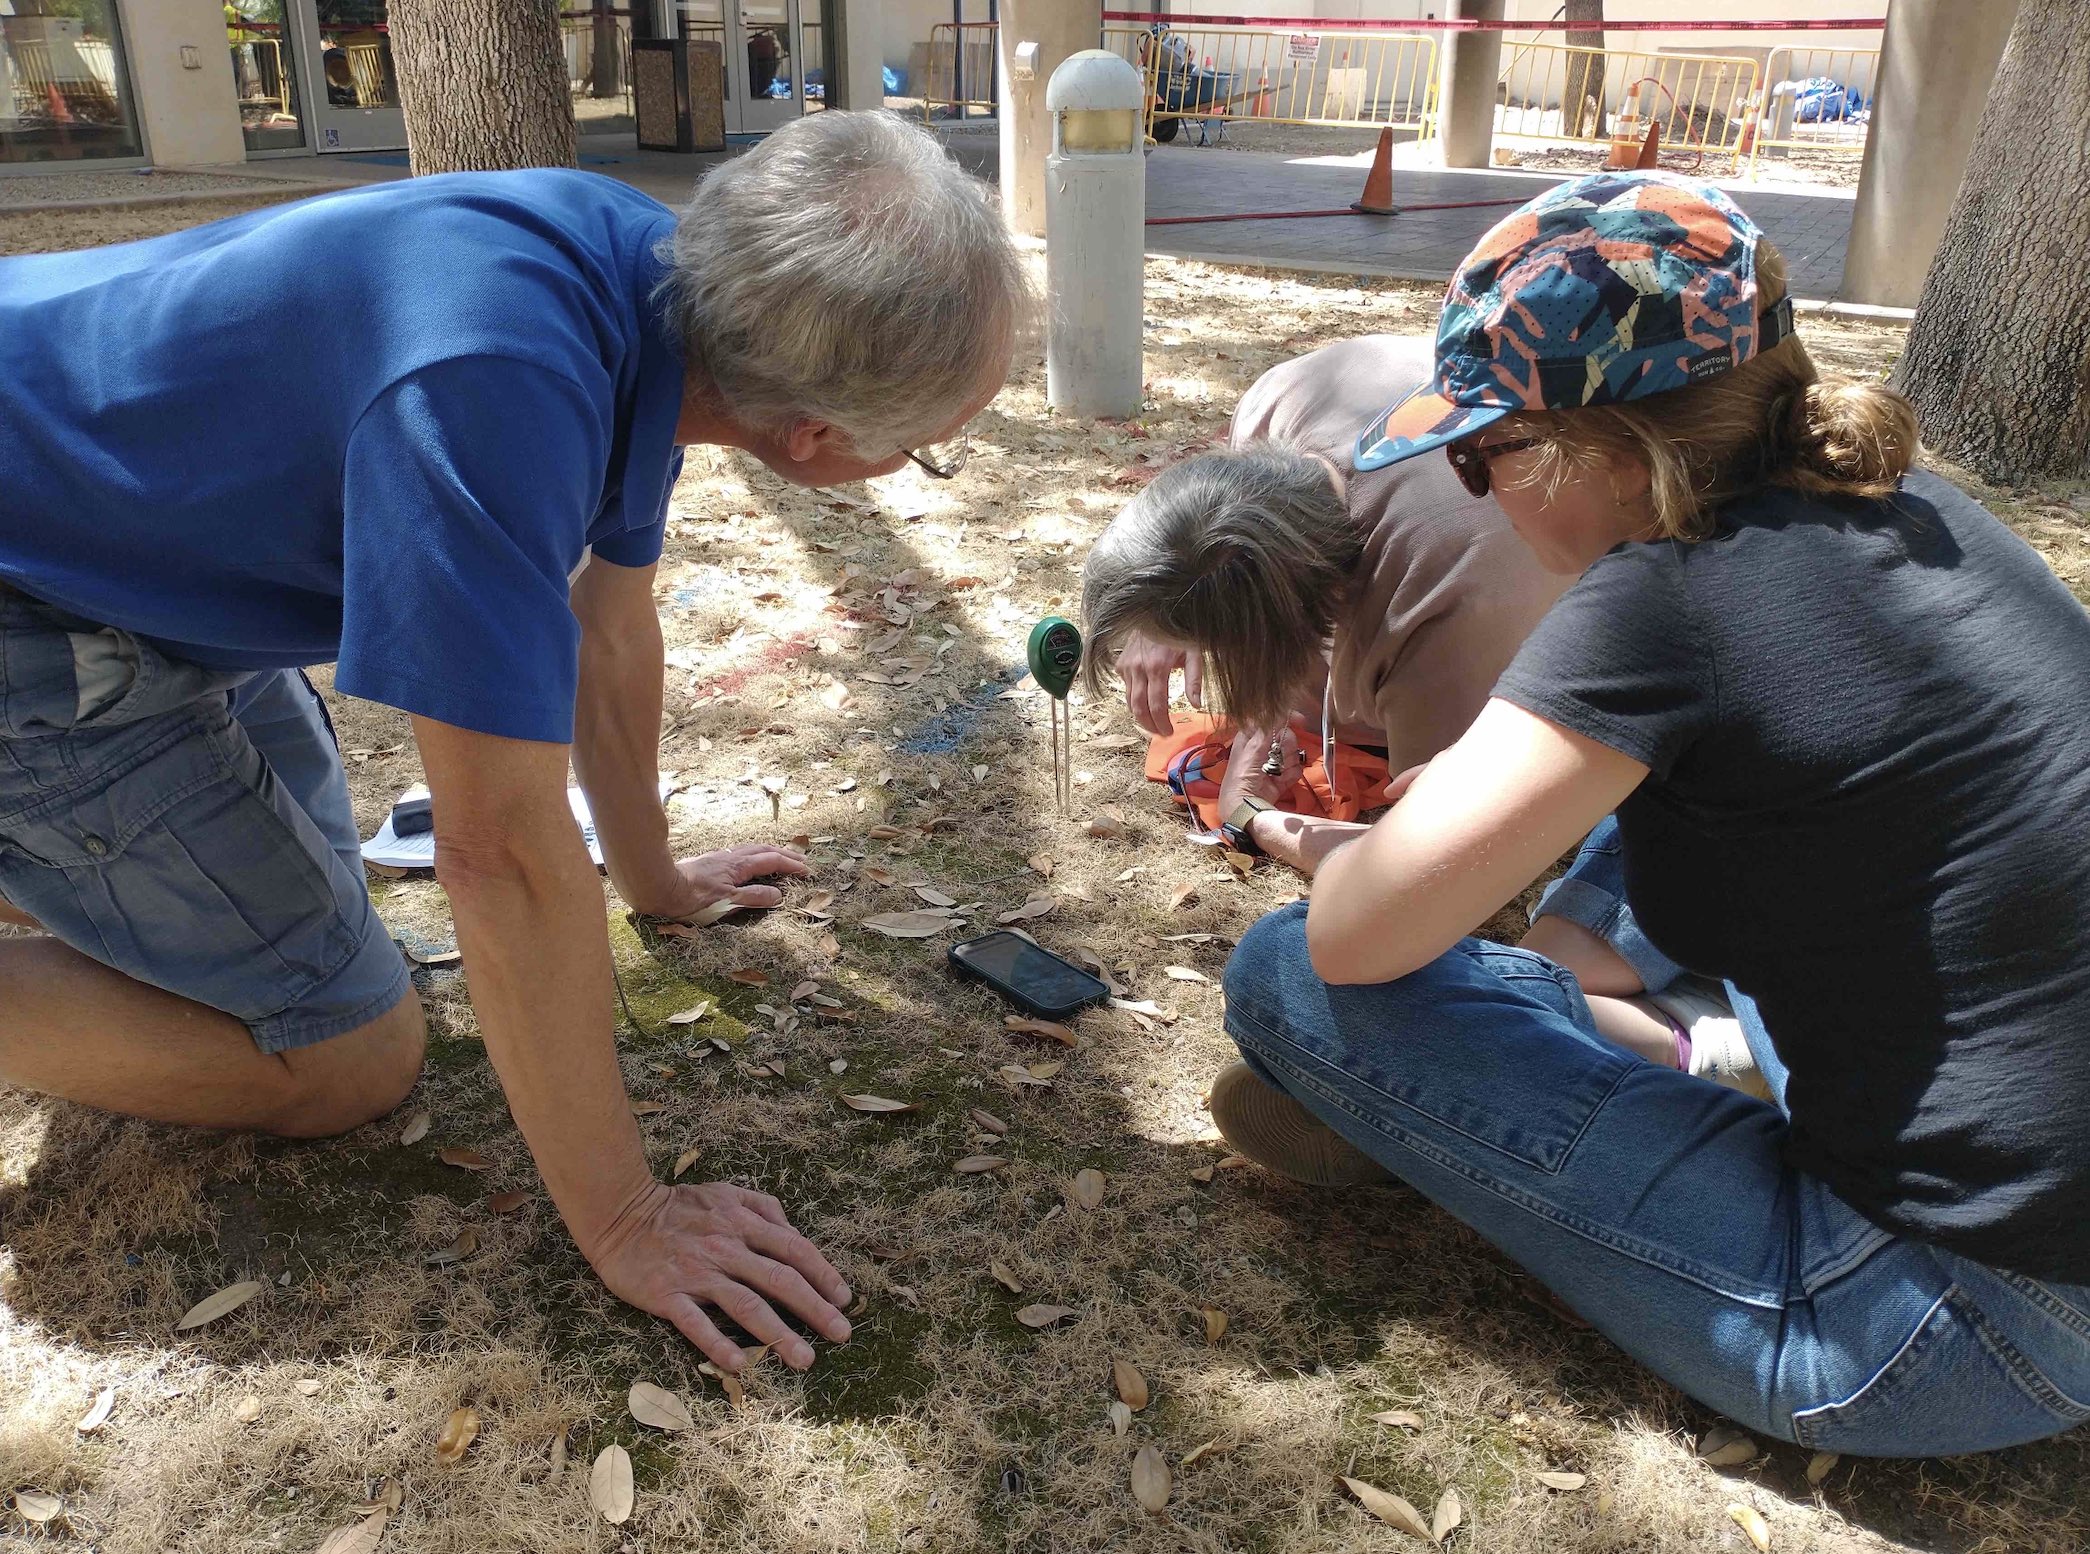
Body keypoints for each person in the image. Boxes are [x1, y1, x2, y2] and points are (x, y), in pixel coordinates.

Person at [0, 111, 1027, 1375]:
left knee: (301, 926)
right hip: (34, 598)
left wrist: (652, 880)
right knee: (341, 1052)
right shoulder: (498, 382)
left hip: (119, 555)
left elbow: (608, 619)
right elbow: (497, 850)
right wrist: (625, 1214)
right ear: (814, 437)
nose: (911, 465)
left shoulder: (663, 285)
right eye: (922, 451)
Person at [1209, 171, 2090, 1456]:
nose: (1476, 491)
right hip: (2008, 1158)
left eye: (1483, 451)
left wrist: (1345, 856)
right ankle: (1618, 1018)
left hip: (1936, 1320)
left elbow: (1350, 942)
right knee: (1660, 785)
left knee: (1286, 974)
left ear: (1605, 450)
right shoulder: (1912, 505)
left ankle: (1503, 1064)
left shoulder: (1660, 602)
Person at [1082, 337, 1568, 876]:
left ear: (1279, 635)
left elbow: (1427, 868)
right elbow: (1206, 535)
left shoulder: (1443, 606)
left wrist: (1251, 815)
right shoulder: (1277, 403)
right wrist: (1164, 611)